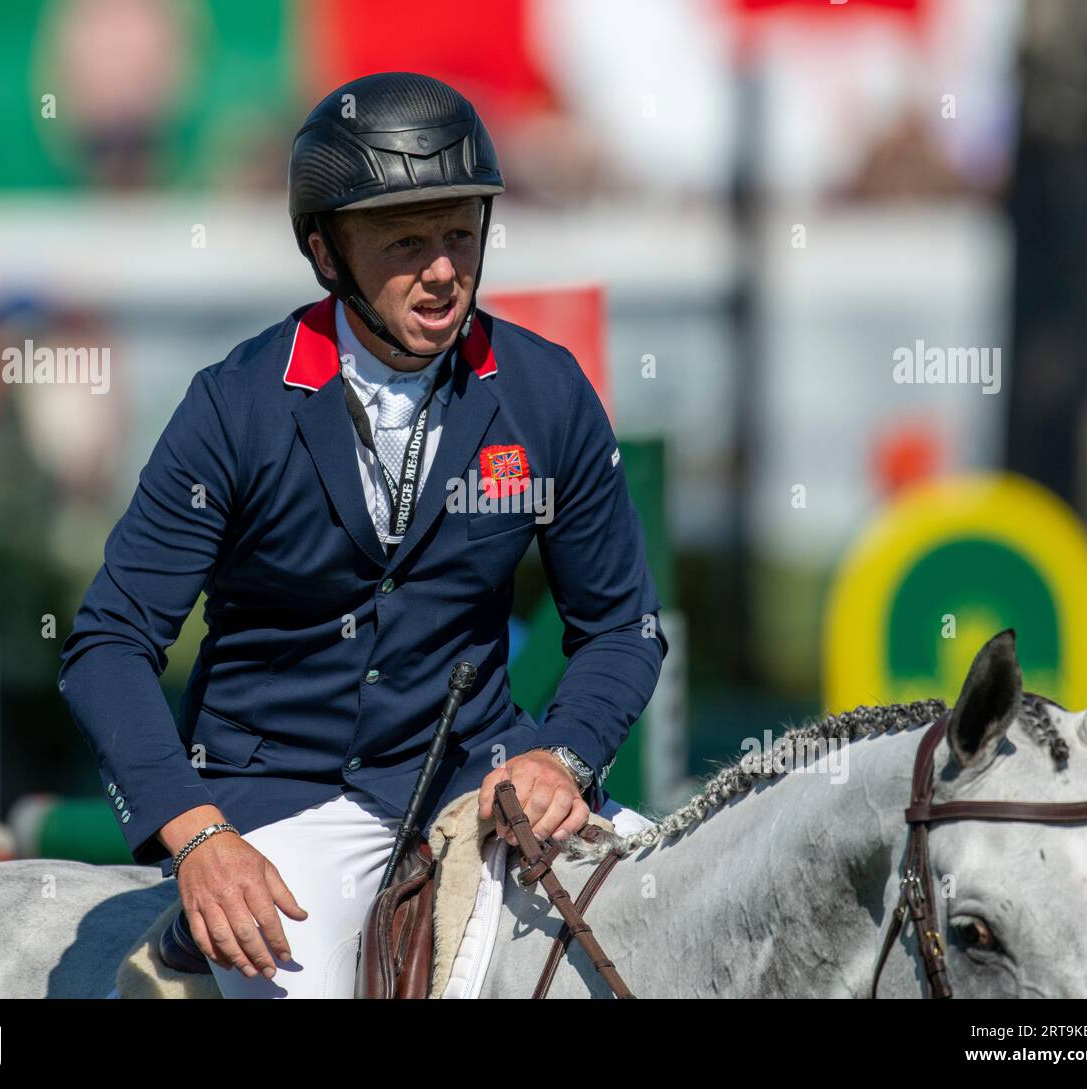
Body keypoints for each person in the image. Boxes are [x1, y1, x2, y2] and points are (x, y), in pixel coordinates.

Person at [59, 71, 667, 998]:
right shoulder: (236, 406)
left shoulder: (545, 391)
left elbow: (622, 627)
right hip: (282, 796)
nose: (443, 269)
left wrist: (566, 752)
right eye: (407, 241)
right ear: (327, 251)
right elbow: (106, 644)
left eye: (462, 234)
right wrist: (198, 832)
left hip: (483, 777)